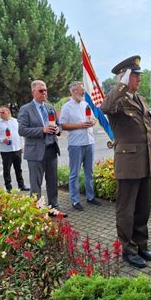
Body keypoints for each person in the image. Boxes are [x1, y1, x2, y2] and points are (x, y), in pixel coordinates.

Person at [100, 55, 151, 268]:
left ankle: (141, 244)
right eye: (134, 75)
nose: (138, 79)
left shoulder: (140, 99)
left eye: (138, 75)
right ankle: (128, 249)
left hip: (144, 161)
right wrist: (122, 85)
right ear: (124, 77)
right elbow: (106, 107)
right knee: (126, 209)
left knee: (143, 208)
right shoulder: (116, 99)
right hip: (128, 162)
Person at [18, 80, 67, 217]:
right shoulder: (25, 109)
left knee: (52, 181)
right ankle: (36, 211)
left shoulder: (50, 107)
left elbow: (59, 125)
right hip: (35, 152)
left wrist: (58, 129)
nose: (44, 93)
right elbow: (21, 130)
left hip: (51, 149)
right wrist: (42, 130)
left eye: (45, 90)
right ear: (33, 92)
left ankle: (53, 208)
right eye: (41, 90)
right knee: (36, 184)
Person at [60, 81, 100, 210]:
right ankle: (75, 201)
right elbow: (63, 125)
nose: (83, 92)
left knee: (89, 172)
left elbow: (94, 118)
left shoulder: (86, 104)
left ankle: (90, 197)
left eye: (83, 89)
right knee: (74, 173)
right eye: (80, 90)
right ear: (73, 91)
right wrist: (80, 125)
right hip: (76, 144)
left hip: (89, 142)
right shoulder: (67, 107)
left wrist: (92, 122)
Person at [0, 105, 29, 192]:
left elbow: (20, 135)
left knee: (18, 168)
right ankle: (8, 186)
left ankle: (21, 185)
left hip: (17, 149)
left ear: (9, 113)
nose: (0, 114)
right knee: (6, 169)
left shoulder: (16, 121)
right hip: (6, 150)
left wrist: (22, 146)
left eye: (3, 112)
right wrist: (2, 140)